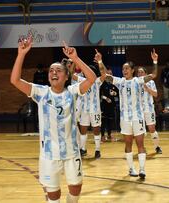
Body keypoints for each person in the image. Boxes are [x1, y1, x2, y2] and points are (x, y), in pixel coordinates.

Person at [10, 37, 96, 203]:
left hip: (72, 153)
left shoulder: (72, 91)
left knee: (76, 188)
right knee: (53, 195)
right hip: (49, 155)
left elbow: (91, 79)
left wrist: (75, 58)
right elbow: (15, 80)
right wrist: (21, 54)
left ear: (66, 76)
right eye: (51, 70)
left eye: (58, 70)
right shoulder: (40, 93)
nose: (54, 73)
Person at [104, 49, 159, 180]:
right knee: (128, 144)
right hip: (125, 119)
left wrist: (155, 60)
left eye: (127, 68)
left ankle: (142, 169)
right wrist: (100, 61)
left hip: (137, 117)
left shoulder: (139, 81)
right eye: (123, 68)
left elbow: (154, 74)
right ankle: (131, 168)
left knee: (140, 144)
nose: (124, 70)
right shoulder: (120, 81)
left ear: (132, 70)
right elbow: (105, 75)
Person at [75, 49, 106, 159]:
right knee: (83, 131)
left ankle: (97, 150)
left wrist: (100, 61)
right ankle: (82, 149)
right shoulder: (82, 80)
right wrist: (73, 61)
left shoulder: (97, 81)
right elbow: (71, 75)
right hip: (84, 110)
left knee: (96, 130)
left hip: (95, 109)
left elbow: (104, 74)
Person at [137, 66, 163, 154]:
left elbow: (155, 94)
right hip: (138, 110)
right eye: (138, 72)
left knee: (152, 128)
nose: (140, 74)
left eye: (141, 72)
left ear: (146, 74)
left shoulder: (151, 82)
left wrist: (147, 89)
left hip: (149, 109)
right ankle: (142, 148)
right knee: (140, 130)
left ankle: (157, 147)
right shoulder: (135, 82)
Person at [100, 68, 118, 142]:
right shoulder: (102, 83)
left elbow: (117, 93)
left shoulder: (114, 84)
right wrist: (105, 98)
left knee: (110, 121)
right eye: (108, 73)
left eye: (111, 73)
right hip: (104, 106)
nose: (109, 75)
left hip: (112, 105)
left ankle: (109, 134)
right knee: (103, 121)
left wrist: (114, 93)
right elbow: (99, 94)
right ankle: (102, 135)